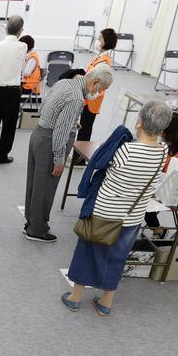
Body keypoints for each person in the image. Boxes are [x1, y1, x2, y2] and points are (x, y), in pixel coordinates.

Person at [62, 100, 172, 316]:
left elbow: (100, 163)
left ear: (139, 122)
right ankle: (105, 302)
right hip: (132, 215)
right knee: (117, 256)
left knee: (88, 252)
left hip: (104, 211)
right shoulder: (163, 152)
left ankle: (75, 297)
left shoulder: (125, 151)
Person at [23, 65, 114, 241]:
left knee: (35, 184)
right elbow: (60, 132)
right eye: (102, 89)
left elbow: (45, 107)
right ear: (95, 82)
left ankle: (31, 222)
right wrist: (59, 160)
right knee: (46, 188)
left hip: (38, 135)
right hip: (50, 142)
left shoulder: (65, 82)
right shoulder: (76, 98)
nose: (99, 93)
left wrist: (72, 122)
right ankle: (37, 230)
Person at [0, 15, 28, 164]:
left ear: (6, 28)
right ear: (20, 31)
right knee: (8, 127)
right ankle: (2, 155)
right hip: (12, 93)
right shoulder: (22, 47)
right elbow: (22, 69)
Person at [77, 28, 117, 142]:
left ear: (106, 41)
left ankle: (78, 159)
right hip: (88, 96)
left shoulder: (104, 60)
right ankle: (77, 157)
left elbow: (95, 80)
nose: (97, 41)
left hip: (92, 98)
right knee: (83, 129)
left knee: (84, 130)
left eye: (99, 39)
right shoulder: (100, 56)